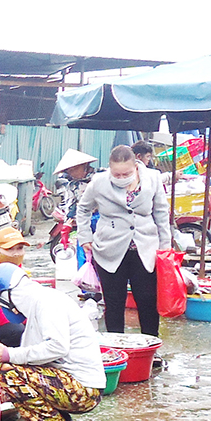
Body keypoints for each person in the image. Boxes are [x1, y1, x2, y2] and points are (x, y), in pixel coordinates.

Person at [0, 263, 105, 421]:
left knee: (6, 370)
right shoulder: (39, 303)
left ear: (7, 296)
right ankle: (53, 419)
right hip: (71, 383)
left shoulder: (47, 302)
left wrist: (8, 354)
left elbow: (57, 347)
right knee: (7, 369)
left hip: (85, 391)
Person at [76, 144, 171, 337]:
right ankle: (116, 346)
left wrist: (165, 247)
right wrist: (85, 236)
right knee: (114, 303)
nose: (121, 178)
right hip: (109, 250)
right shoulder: (99, 181)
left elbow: (161, 213)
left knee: (147, 301)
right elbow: (83, 209)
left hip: (145, 249)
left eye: (125, 174)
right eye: (116, 175)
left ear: (135, 165)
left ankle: (151, 347)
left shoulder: (152, 178)